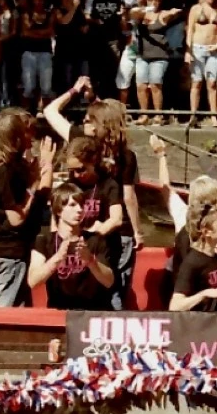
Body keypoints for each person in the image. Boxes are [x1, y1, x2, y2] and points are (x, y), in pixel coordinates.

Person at [44, 86, 143, 308]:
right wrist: (137, 230)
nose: (84, 124)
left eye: (89, 120)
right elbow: (129, 197)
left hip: (93, 225)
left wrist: (74, 90)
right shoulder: (124, 153)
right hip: (112, 227)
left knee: (100, 283)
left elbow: (50, 111)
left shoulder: (79, 140)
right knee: (114, 287)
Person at [150, 136, 217, 306]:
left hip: (174, 285)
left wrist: (161, 156)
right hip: (202, 292)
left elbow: (165, 188)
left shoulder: (184, 214)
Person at [0, 109, 56, 307]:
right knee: (4, 307)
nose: (31, 136)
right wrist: (34, 182)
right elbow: (16, 218)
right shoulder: (5, 171)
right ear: (15, 137)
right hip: (9, 249)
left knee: (20, 306)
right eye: (26, 132)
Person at [27, 183, 115, 311]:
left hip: (91, 312)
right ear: (58, 210)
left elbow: (109, 281)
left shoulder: (95, 239)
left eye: (81, 205)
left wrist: (91, 261)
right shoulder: (44, 240)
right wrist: (57, 258)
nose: (80, 210)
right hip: (60, 311)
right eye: (72, 205)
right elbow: (33, 281)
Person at [129, 0, 181, 124]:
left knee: (155, 84)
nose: (154, 2)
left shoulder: (162, 14)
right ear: (147, 0)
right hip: (143, 54)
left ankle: (157, 115)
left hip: (159, 55)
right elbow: (132, 14)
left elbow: (172, 13)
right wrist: (144, 10)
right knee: (141, 85)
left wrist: (173, 12)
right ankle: (144, 115)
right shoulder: (141, 14)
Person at [186, 0, 217, 126]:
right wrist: (188, 51)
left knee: (212, 83)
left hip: (213, 49)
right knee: (196, 82)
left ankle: (213, 116)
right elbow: (190, 30)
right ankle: (193, 115)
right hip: (197, 48)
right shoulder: (196, 9)